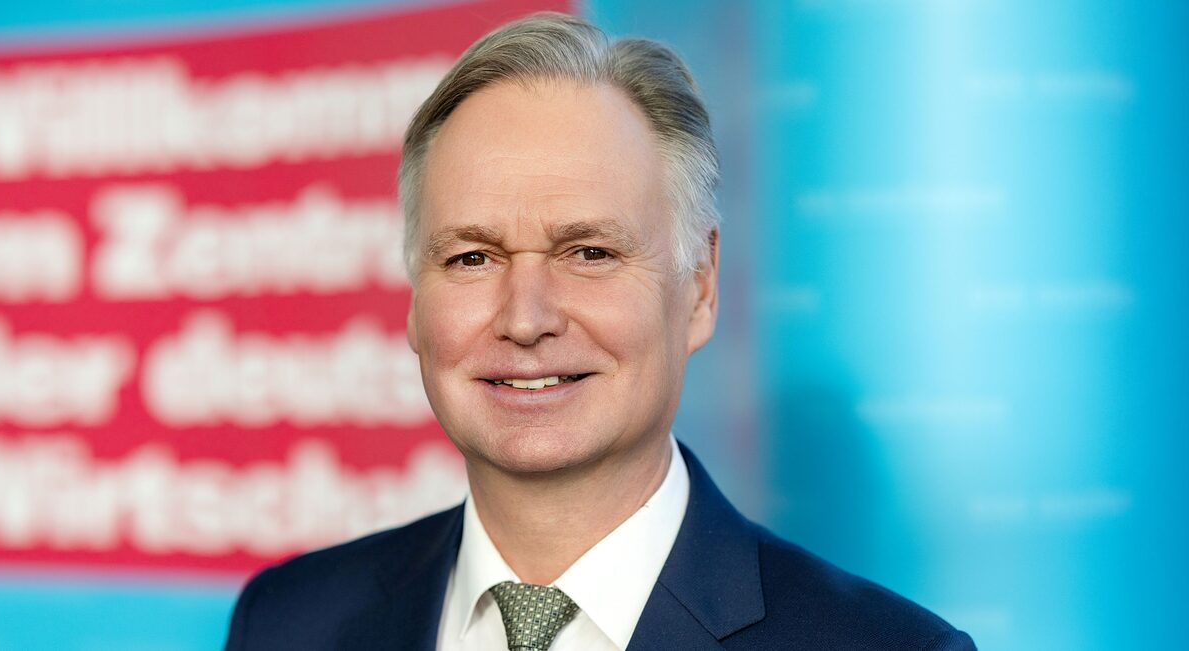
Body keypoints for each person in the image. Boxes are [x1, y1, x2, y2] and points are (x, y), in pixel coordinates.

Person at [224, 12, 976, 651]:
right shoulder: (287, 621)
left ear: (700, 286)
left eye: (590, 253)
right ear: (416, 303)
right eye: (472, 257)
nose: (526, 319)